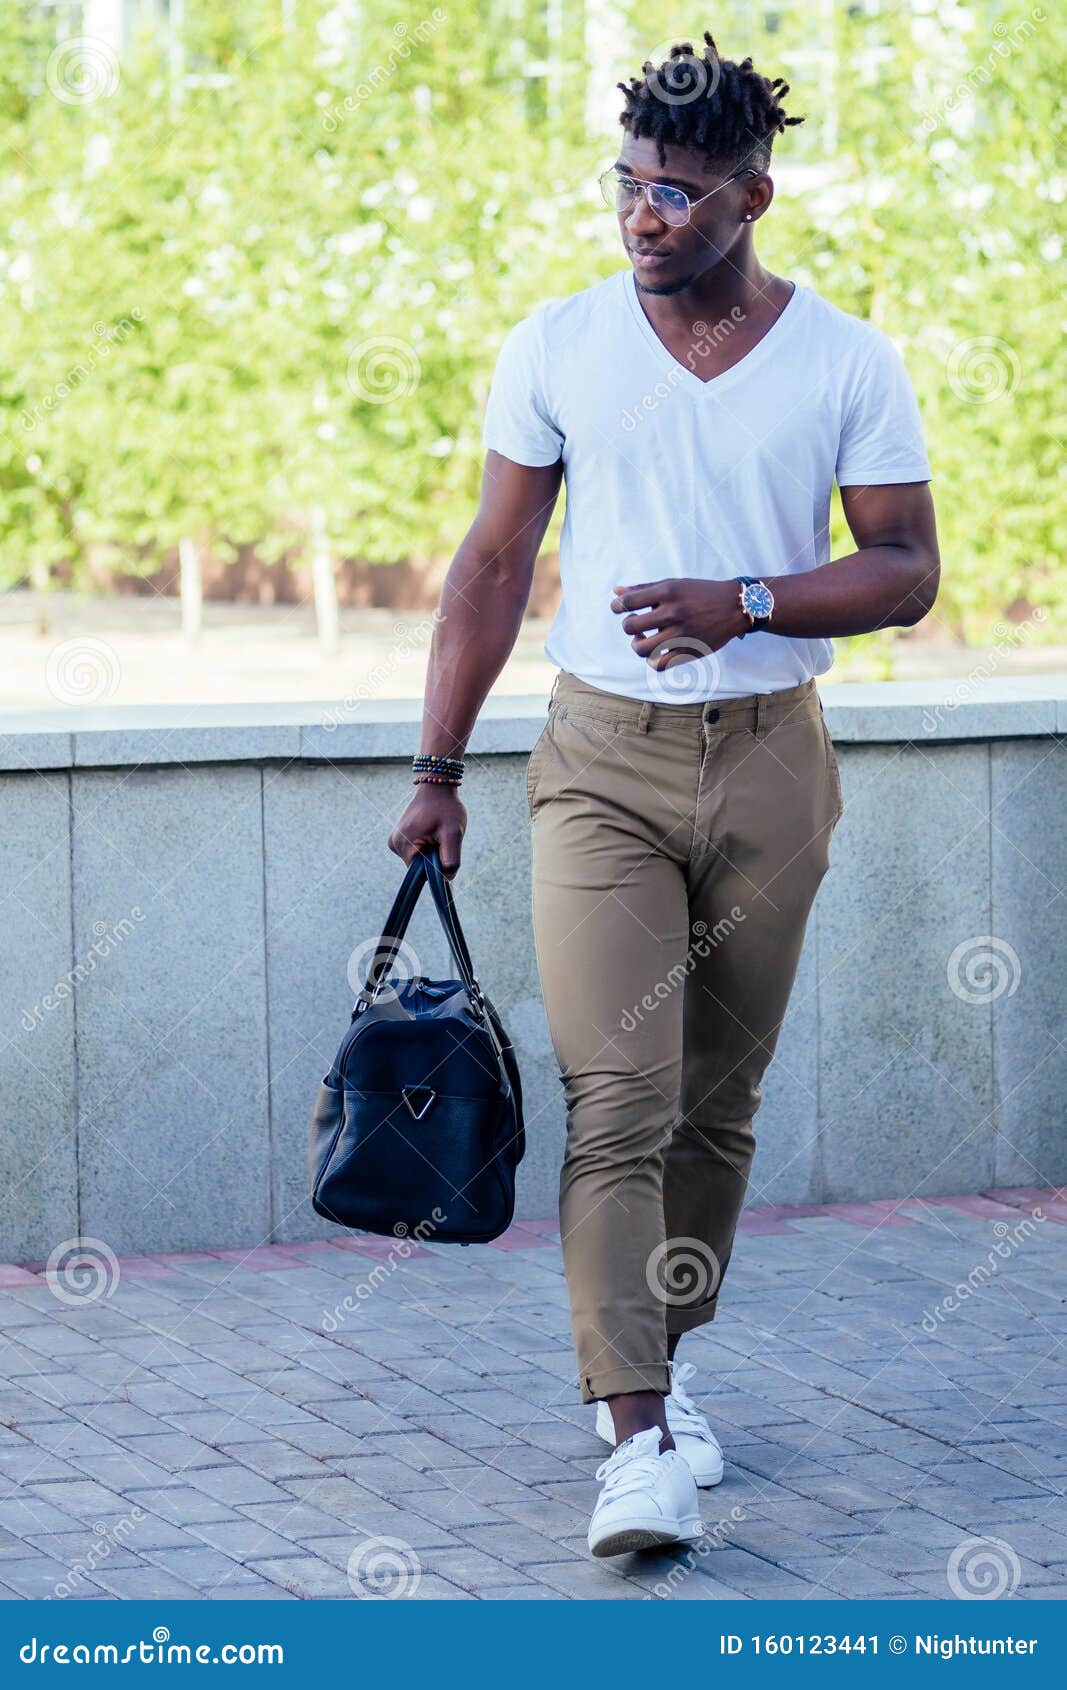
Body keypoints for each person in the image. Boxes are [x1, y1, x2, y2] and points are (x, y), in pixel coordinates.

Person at [388, 30, 938, 1559]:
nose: (642, 215)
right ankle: (634, 1435)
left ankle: (670, 1369)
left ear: (753, 196)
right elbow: (492, 565)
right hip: (600, 763)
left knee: (715, 1108)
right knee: (617, 1096)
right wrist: (437, 770)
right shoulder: (557, 341)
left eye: (678, 194)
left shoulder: (845, 358)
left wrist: (747, 600)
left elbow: (906, 570)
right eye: (628, 184)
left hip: (772, 759)